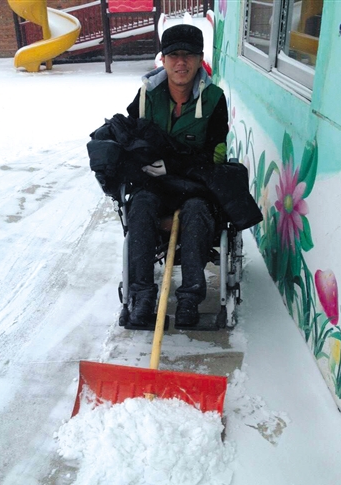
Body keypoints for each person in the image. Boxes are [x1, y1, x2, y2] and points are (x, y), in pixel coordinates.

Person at [125, 24, 229, 327]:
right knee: (140, 206)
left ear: (199, 59)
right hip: (154, 184)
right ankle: (143, 295)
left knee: (196, 213)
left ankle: (189, 299)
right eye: (173, 55)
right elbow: (132, 144)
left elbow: (215, 156)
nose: (180, 63)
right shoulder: (146, 96)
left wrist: (172, 164)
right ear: (164, 59)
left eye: (188, 55)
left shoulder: (214, 100)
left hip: (196, 187)